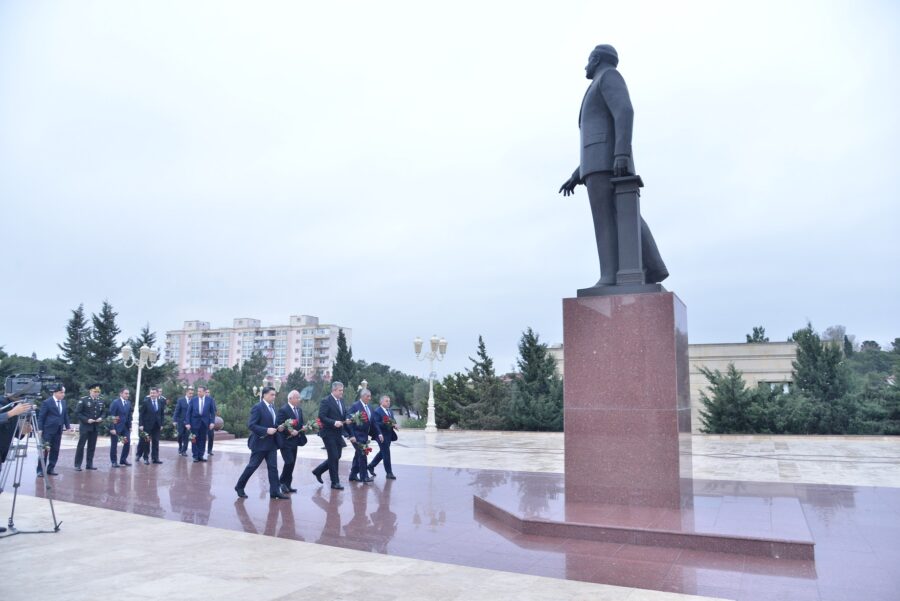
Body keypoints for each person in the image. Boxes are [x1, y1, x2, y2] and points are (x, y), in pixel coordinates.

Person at [559, 43, 668, 288]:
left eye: (588, 60)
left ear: (596, 59)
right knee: (624, 214)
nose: (585, 66)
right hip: (596, 162)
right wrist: (578, 173)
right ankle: (655, 266)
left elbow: (624, 111)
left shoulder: (608, 76)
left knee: (606, 220)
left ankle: (608, 275)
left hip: (605, 162)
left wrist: (620, 154)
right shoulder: (598, 82)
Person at [234, 386, 287, 500]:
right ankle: (239, 486)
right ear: (264, 395)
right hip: (260, 443)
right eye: (272, 394)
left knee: (273, 468)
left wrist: (279, 427)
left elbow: (273, 424)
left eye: (274, 394)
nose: (274, 396)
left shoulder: (273, 408)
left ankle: (275, 491)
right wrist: (266, 430)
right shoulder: (258, 407)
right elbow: (251, 425)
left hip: (272, 444)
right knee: (252, 466)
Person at [312, 381, 350, 490]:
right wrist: (334, 422)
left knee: (337, 456)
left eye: (342, 390)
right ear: (334, 390)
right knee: (333, 457)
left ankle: (318, 471)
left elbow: (345, 412)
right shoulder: (326, 401)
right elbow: (322, 417)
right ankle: (335, 482)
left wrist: (347, 418)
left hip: (338, 433)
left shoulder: (341, 400)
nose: (342, 392)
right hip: (328, 433)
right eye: (340, 390)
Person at [347, 388, 382, 484]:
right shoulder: (355, 406)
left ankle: (353, 475)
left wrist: (379, 433)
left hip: (365, 436)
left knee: (358, 455)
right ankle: (364, 476)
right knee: (362, 454)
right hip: (356, 436)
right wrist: (351, 435)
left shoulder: (370, 407)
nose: (370, 398)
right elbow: (349, 422)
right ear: (362, 396)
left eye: (370, 396)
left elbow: (374, 422)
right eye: (368, 396)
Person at [276, 389, 307, 494]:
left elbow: (300, 423)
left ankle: (288, 484)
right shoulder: (283, 410)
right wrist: (289, 430)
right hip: (285, 441)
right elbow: (279, 425)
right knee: (288, 462)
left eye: (299, 397)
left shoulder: (299, 410)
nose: (299, 399)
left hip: (295, 441)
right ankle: (282, 482)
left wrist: (304, 427)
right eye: (297, 397)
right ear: (290, 398)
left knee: (292, 463)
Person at [36, 383, 70, 476]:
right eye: (61, 392)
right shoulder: (47, 402)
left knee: (55, 450)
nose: (63, 394)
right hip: (48, 431)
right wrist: (40, 429)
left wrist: (68, 427)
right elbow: (41, 417)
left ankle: (51, 469)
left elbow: (65, 415)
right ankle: (40, 470)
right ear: (55, 393)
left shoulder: (63, 402)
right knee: (45, 450)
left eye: (64, 392)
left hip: (58, 430)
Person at [73, 384, 106, 471]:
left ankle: (89, 464)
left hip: (95, 427)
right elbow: (77, 412)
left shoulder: (101, 401)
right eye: (95, 391)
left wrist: (101, 418)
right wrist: (87, 420)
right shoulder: (83, 400)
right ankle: (77, 464)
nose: (96, 393)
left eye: (98, 392)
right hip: (85, 426)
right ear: (90, 391)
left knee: (92, 446)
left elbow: (104, 412)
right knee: (81, 445)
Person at [368, 394, 398, 480]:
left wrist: (394, 424)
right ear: (381, 402)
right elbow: (376, 424)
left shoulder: (390, 411)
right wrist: (386, 423)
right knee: (386, 453)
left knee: (383, 452)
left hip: (389, 435)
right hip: (380, 435)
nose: (388, 402)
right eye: (386, 401)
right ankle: (389, 473)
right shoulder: (377, 411)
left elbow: (392, 420)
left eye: (389, 401)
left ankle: (371, 466)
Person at [185, 385, 216, 462]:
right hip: (193, 423)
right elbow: (188, 412)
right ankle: (195, 456)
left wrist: (212, 422)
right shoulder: (193, 400)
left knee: (202, 440)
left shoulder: (210, 400)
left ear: (205, 392)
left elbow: (212, 412)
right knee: (194, 439)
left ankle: (201, 455)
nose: (198, 393)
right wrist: (187, 423)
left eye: (200, 391)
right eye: (198, 391)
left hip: (205, 423)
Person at [137, 387, 165, 465]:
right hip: (147, 426)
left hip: (157, 426)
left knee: (156, 442)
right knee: (146, 442)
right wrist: (141, 424)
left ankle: (155, 458)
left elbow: (162, 414)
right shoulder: (146, 402)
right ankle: (146, 458)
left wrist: (162, 424)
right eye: (151, 393)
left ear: (157, 394)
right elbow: (141, 414)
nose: (152, 394)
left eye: (154, 393)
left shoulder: (160, 402)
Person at [108, 388, 133, 467]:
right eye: (126, 393)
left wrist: (130, 427)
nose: (127, 395)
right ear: (121, 394)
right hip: (116, 428)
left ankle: (123, 460)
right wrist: (112, 428)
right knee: (114, 445)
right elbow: (111, 416)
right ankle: (114, 461)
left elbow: (129, 416)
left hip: (125, 428)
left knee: (127, 442)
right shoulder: (115, 403)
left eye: (128, 394)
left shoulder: (128, 403)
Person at [172, 386, 193, 456]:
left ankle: (184, 450)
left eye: (192, 394)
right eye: (190, 393)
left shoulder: (193, 401)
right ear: (186, 393)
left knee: (186, 436)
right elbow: (177, 411)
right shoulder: (181, 400)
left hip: (189, 422)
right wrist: (174, 420)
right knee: (180, 435)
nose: (191, 395)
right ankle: (180, 446)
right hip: (180, 421)